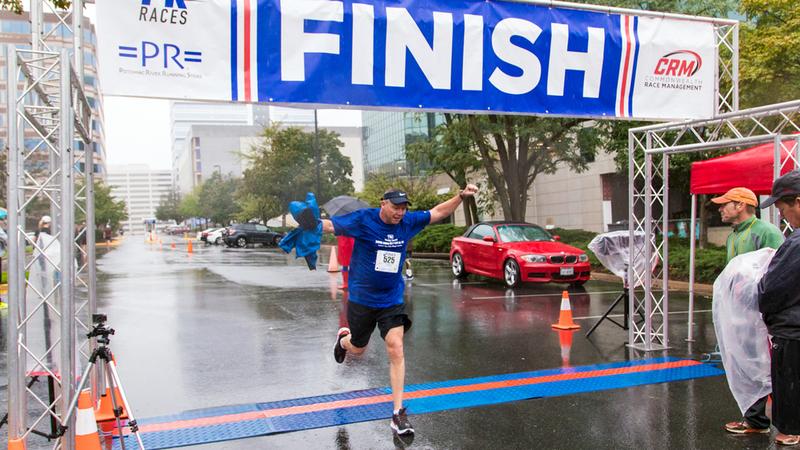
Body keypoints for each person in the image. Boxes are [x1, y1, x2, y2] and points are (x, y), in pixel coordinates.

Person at [323, 184, 479, 435]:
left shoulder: (407, 222)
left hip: (391, 299)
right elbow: (331, 225)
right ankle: (344, 341)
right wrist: (309, 223)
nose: (400, 213)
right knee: (359, 348)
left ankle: (398, 414)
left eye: (404, 208)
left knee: (395, 347)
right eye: (396, 207)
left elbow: (437, 212)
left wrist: (460, 196)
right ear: (383, 203)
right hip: (362, 299)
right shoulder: (364, 219)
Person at [710, 187, 784, 435]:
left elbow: (777, 271)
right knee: (745, 364)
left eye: (725, 204)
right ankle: (755, 420)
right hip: (739, 313)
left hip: (761, 315)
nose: (720, 208)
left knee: (771, 366)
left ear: (741, 205)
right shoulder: (733, 236)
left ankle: (786, 422)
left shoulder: (766, 232)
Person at [757, 170, 800, 446]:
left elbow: (771, 290)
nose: (781, 215)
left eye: (782, 208)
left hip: (793, 335)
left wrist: (766, 311)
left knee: (789, 420)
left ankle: (791, 432)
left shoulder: (796, 244)